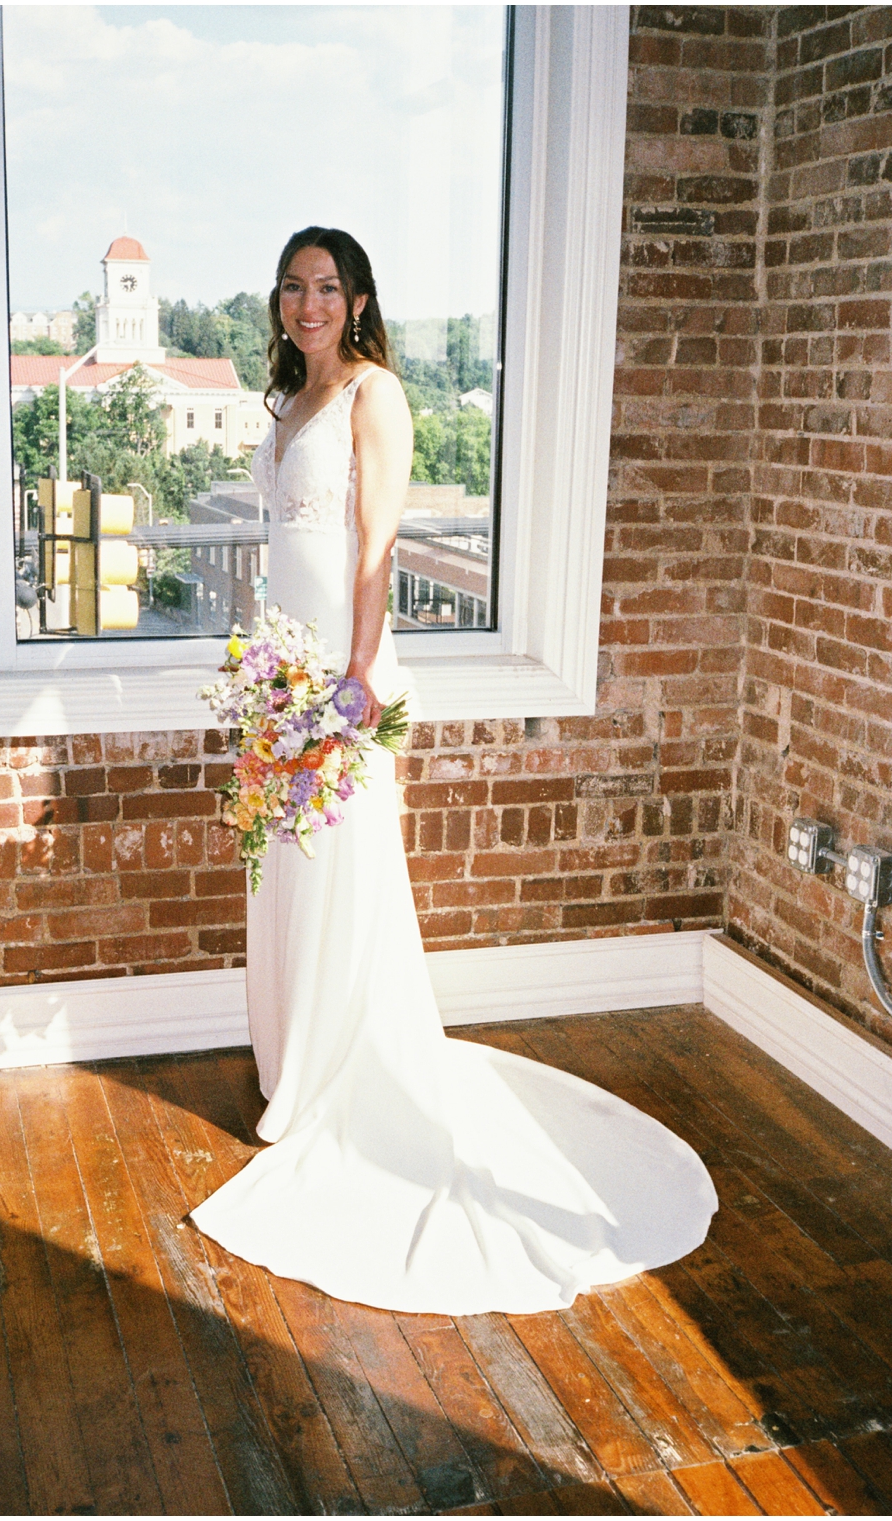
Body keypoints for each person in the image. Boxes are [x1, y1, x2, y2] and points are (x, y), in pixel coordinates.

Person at [190, 227, 717, 1314]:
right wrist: (267, 668)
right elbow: (285, 541)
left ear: (358, 297)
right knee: (284, 866)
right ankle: (297, 1065)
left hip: (341, 663)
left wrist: (355, 672)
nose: (307, 305)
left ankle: (346, 1075)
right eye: (292, 288)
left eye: (326, 288)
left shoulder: (373, 395)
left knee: (340, 868)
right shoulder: (287, 401)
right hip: (284, 660)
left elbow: (373, 547)